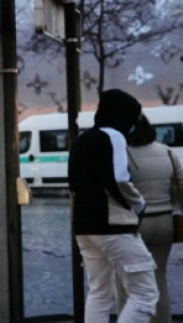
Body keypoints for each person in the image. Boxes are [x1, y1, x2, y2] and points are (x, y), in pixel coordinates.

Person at [68, 89, 158, 322]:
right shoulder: (114, 136)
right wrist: (138, 205)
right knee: (145, 294)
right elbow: (119, 179)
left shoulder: (81, 140)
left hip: (85, 227)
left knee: (99, 292)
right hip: (113, 225)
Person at [116, 115, 183, 323]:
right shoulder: (167, 151)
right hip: (164, 224)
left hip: (133, 226)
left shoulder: (121, 155)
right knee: (159, 279)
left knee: (127, 283)